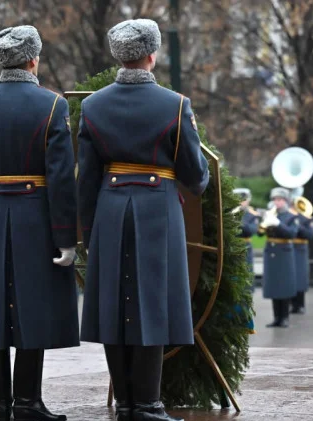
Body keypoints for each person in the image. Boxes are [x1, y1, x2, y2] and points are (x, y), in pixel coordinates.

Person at [77, 19, 210, 421]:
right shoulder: (174, 104)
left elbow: (87, 178)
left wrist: (87, 231)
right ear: (152, 55)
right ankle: (148, 404)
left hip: (111, 207)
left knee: (113, 306)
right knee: (153, 301)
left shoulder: (93, 105)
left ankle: (127, 404)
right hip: (157, 208)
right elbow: (194, 173)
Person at [0, 25, 79, 421]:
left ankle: (0, 405)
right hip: (36, 212)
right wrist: (67, 237)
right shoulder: (52, 105)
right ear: (33, 59)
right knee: (35, 306)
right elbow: (62, 178)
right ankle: (28, 402)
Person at [258, 188, 299, 328]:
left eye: (280, 200)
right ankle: (276, 317)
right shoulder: (271, 214)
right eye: (275, 199)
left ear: (286, 201)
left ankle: (285, 317)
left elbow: (292, 234)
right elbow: (259, 234)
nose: (277, 202)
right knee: (274, 285)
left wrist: (278, 224)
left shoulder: (291, 216)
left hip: (284, 253)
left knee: (284, 285)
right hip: (271, 252)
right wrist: (264, 222)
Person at [290, 191, 313, 314]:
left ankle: (300, 304)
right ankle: (291, 304)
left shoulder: (307, 219)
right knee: (290, 276)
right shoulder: (291, 217)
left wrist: (298, 225)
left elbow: (309, 234)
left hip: (300, 249)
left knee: (300, 276)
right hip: (290, 247)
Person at [234, 188, 260, 289]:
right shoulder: (229, 212)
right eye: (239, 200)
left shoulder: (252, 215)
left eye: (243, 200)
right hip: (232, 248)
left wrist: (237, 220)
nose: (241, 203)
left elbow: (251, 230)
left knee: (246, 278)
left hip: (246, 248)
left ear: (248, 200)